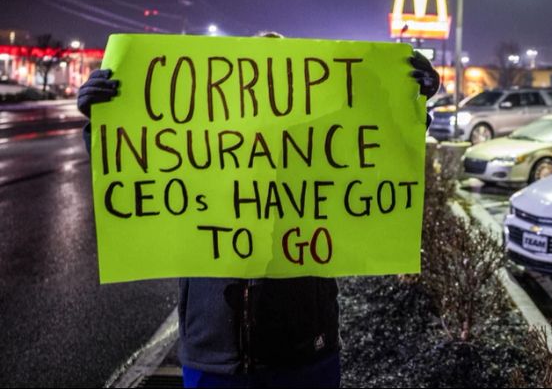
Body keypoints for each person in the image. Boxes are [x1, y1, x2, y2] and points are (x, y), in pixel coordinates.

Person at [77, 44, 440, 388]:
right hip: (214, 358)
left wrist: (409, 103)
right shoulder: (202, 154)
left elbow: (379, 156)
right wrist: (103, 120)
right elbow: (138, 170)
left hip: (304, 356)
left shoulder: (314, 153)